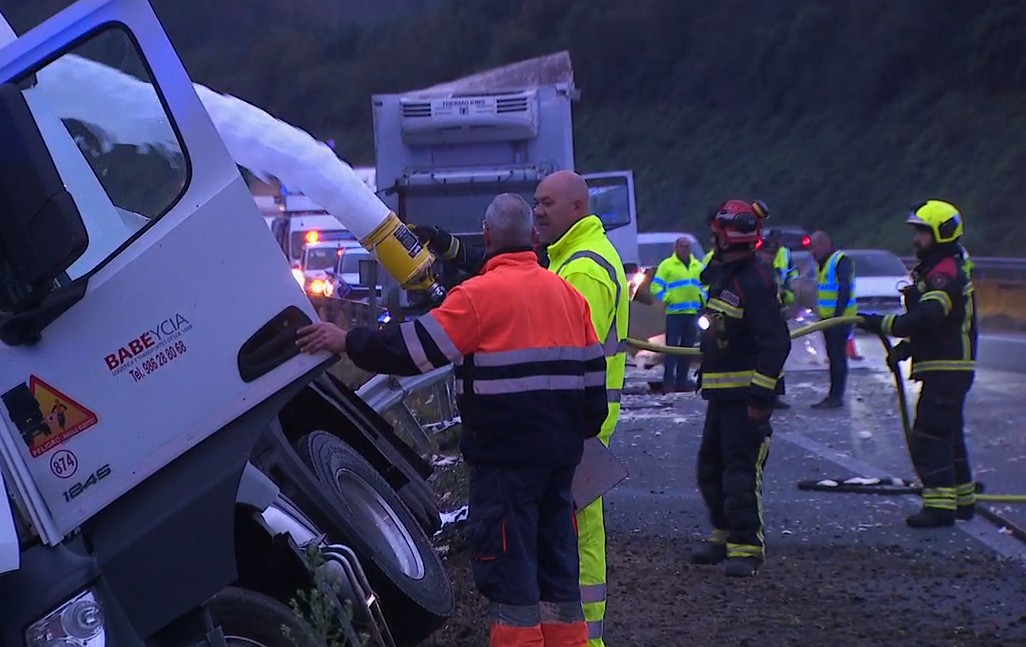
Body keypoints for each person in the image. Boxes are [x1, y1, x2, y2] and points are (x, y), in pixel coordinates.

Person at [297, 193, 607, 646]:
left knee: (512, 577)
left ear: (486, 234)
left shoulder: (478, 298)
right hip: (560, 463)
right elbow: (594, 389)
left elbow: (412, 350)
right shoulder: (567, 295)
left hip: (505, 465)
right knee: (558, 572)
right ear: (532, 237)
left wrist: (347, 341)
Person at [533, 170, 628, 647]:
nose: (539, 211)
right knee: (578, 532)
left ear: (578, 207)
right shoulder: (571, 259)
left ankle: (585, 640)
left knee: (579, 536)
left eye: (549, 203)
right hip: (580, 424)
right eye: (536, 203)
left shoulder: (584, 269)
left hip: (577, 426)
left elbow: (568, 355)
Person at [856, 199, 978, 527]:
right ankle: (963, 501)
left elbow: (931, 314)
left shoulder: (945, 271)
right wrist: (907, 347)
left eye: (922, 231)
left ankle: (939, 507)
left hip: (947, 366)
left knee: (929, 434)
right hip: (945, 364)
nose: (916, 239)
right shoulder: (940, 266)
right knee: (948, 434)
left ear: (941, 232)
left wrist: (884, 325)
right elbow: (937, 323)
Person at [689, 199, 791, 578]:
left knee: (740, 472)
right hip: (720, 394)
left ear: (725, 237)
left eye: (715, 233)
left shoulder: (756, 281)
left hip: (744, 397)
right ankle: (724, 533)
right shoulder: (727, 274)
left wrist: (761, 397)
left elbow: (776, 344)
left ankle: (746, 547)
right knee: (709, 468)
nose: (710, 238)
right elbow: (708, 281)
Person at [808, 230, 856, 408]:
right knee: (834, 357)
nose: (812, 252)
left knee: (837, 358)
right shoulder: (824, 263)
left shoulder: (839, 260)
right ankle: (834, 395)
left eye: (814, 247)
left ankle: (836, 397)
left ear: (824, 244)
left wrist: (837, 315)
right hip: (829, 319)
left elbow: (844, 289)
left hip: (839, 319)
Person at [649, 236, 704, 392]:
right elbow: (655, 287)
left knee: (687, 349)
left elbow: (705, 286)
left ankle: (682, 381)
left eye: (687, 246)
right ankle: (668, 382)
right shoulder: (667, 265)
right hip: (674, 313)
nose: (685, 249)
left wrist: (703, 298)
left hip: (692, 313)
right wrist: (668, 298)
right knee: (671, 350)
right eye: (682, 246)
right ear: (676, 247)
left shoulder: (697, 266)